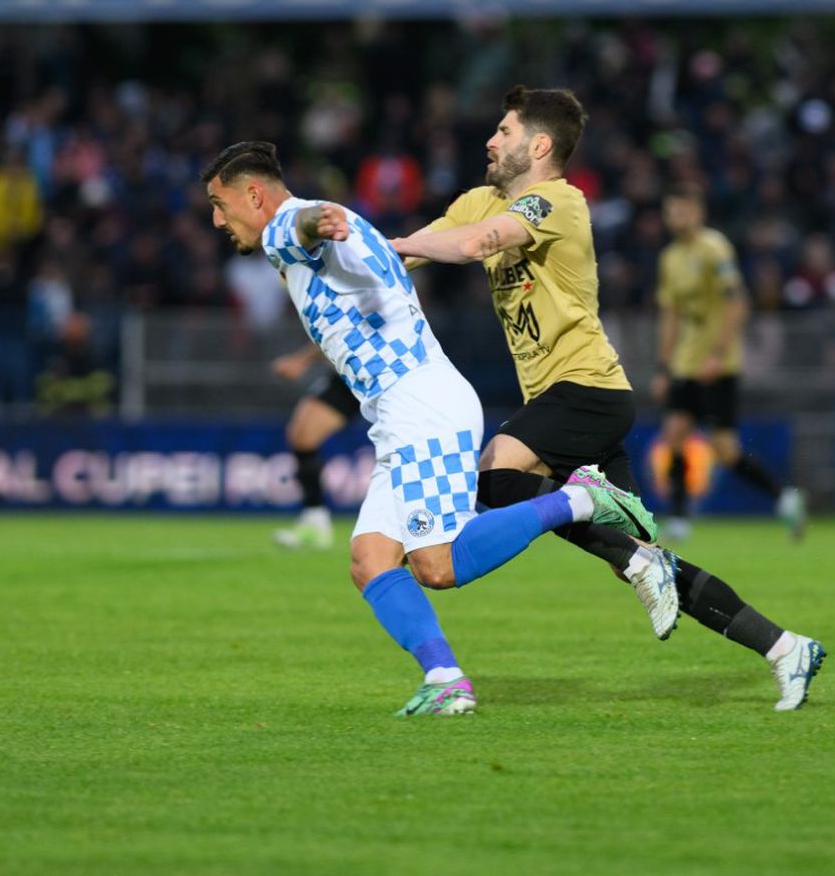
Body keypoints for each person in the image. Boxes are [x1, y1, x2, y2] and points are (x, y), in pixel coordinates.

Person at [391, 86, 825, 711]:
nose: (490, 140)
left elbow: (470, 245)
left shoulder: (558, 202)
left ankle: (593, 510)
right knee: (644, 560)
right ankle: (786, 647)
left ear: (539, 145)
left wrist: (399, 247)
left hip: (588, 388)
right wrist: (339, 253)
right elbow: (412, 250)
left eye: (504, 131)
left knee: (493, 474)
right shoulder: (479, 200)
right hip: (562, 400)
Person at [202, 140, 671, 717]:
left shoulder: (290, 226)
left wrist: (309, 221)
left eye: (220, 203)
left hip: (420, 405)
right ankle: (445, 678)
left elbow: (297, 228)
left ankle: (581, 498)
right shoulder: (331, 229)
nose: (217, 219)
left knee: (437, 566)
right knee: (370, 559)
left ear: (254, 194)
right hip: (399, 412)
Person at [652, 183, 807, 541]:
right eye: (672, 210)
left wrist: (717, 354)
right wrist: (664, 367)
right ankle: (678, 518)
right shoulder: (670, 258)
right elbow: (670, 316)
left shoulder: (714, 248)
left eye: (684, 209)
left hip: (717, 366)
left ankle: (783, 497)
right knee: (675, 435)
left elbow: (738, 304)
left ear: (699, 212)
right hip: (684, 363)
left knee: (724, 450)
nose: (678, 217)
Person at [270, 342, 358, 550]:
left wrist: (300, 360)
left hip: (382, 372)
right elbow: (330, 332)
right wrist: (302, 359)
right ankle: (315, 521)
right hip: (347, 375)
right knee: (302, 436)